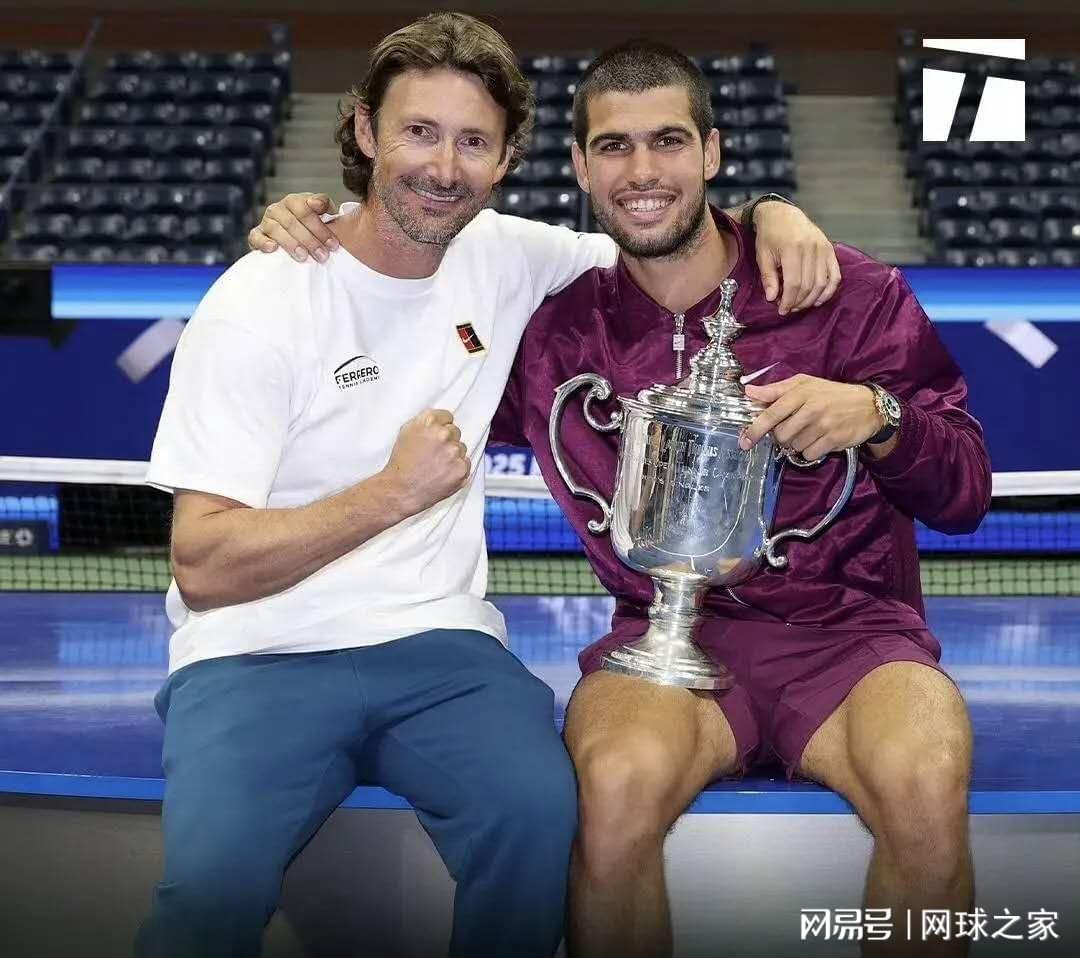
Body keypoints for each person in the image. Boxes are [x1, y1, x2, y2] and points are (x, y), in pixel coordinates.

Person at [256, 38, 992, 958]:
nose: (642, 172)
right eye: (614, 146)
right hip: (660, 643)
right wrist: (322, 230)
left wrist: (879, 417)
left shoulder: (849, 295)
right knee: (611, 792)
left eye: (668, 142)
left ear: (712, 152)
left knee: (926, 785)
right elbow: (397, 309)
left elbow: (965, 492)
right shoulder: (550, 331)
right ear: (579, 166)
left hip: (853, 640)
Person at [142, 13, 838, 958]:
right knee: (208, 893)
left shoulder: (510, 256)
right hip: (253, 656)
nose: (443, 167)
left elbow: (666, 233)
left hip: (441, 650)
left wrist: (770, 212)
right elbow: (203, 566)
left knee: (538, 819)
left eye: (473, 142)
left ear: (507, 159)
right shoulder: (258, 301)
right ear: (364, 131)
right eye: (418, 132)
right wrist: (391, 494)